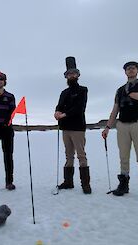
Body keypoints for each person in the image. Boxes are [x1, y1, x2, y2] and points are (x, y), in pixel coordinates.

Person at [102, 61, 138, 200]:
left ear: (137, 70)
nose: (130, 70)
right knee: (123, 156)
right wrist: (108, 127)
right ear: (125, 72)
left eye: (133, 68)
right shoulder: (120, 90)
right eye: (128, 68)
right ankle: (123, 185)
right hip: (122, 125)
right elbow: (115, 110)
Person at [54, 56, 91, 194]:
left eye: (73, 73)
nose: (71, 76)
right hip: (65, 128)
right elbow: (59, 106)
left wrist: (64, 114)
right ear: (66, 76)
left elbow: (79, 108)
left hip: (77, 128)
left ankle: (85, 184)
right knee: (68, 155)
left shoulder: (83, 90)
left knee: (81, 155)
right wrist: (57, 112)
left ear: (78, 75)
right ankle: (68, 182)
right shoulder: (64, 92)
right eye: (69, 74)